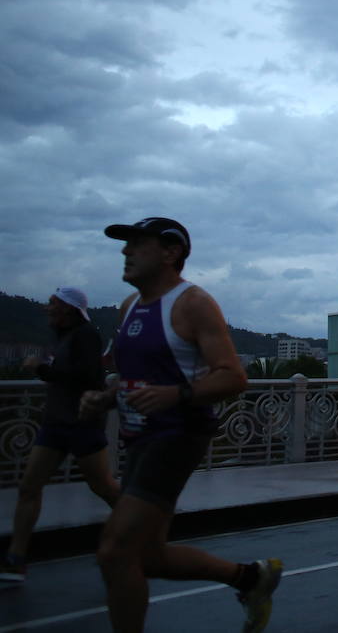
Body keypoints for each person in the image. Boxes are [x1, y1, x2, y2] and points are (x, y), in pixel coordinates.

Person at [77, 218, 281, 632]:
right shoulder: (128, 306)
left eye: (137, 243)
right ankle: (250, 578)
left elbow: (233, 376)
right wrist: (107, 395)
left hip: (175, 436)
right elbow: (133, 374)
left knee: (115, 551)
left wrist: (176, 394)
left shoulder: (193, 303)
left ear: (171, 253)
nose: (125, 251)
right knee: (149, 557)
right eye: (125, 244)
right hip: (138, 437)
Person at [2, 288, 120, 584]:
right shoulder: (61, 335)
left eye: (53, 304)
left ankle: (144, 526)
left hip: (81, 424)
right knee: (30, 486)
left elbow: (85, 378)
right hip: (55, 423)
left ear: (69, 308)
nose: (47, 308)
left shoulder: (85, 336)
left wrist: (41, 369)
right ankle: (16, 558)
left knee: (103, 486)